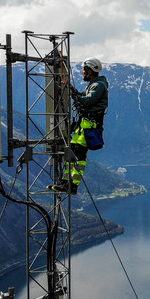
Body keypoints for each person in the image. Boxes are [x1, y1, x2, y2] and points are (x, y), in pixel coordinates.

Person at [48, 57, 109, 195]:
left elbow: (86, 101)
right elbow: (85, 98)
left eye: (84, 70)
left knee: (79, 156)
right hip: (84, 126)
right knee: (73, 153)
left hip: (88, 127)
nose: (82, 72)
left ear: (90, 70)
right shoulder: (95, 84)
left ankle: (73, 185)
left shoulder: (98, 85)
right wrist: (71, 89)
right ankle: (65, 182)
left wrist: (72, 92)